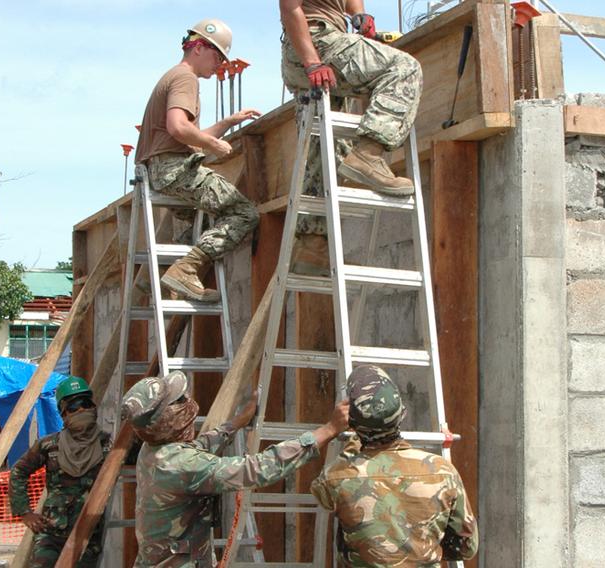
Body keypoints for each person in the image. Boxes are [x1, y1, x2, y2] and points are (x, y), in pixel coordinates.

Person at [122, 370, 350, 567]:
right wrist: (327, 431)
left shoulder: (152, 450)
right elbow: (255, 469)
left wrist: (235, 423)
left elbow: (197, 448)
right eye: (180, 400)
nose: (188, 401)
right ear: (168, 419)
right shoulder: (181, 466)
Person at [279, 0, 423, 275]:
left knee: (324, 145)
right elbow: (289, 6)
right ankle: (369, 154)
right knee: (404, 68)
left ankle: (313, 244)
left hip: (314, 44)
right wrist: (312, 63)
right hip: (317, 40)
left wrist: (358, 15)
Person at [135, 18, 261, 303]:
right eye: (217, 56)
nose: (218, 64)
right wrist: (214, 143)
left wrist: (227, 123)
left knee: (203, 226)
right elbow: (178, 127)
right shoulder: (185, 78)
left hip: (163, 167)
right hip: (173, 169)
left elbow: (187, 137)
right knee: (244, 214)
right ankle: (186, 269)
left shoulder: (174, 76)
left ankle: (156, 274)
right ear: (199, 48)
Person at [311, 365, 479, 566]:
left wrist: (351, 447)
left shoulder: (336, 476)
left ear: (352, 423)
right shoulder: (443, 471)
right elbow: (467, 546)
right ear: (402, 415)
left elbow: (321, 493)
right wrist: (424, 552)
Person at [9, 377, 110, 568]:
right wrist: (24, 512)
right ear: (64, 414)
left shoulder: (107, 444)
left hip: (88, 533)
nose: (81, 410)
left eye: (85, 404)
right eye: (74, 407)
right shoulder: (49, 445)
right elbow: (19, 472)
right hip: (52, 532)